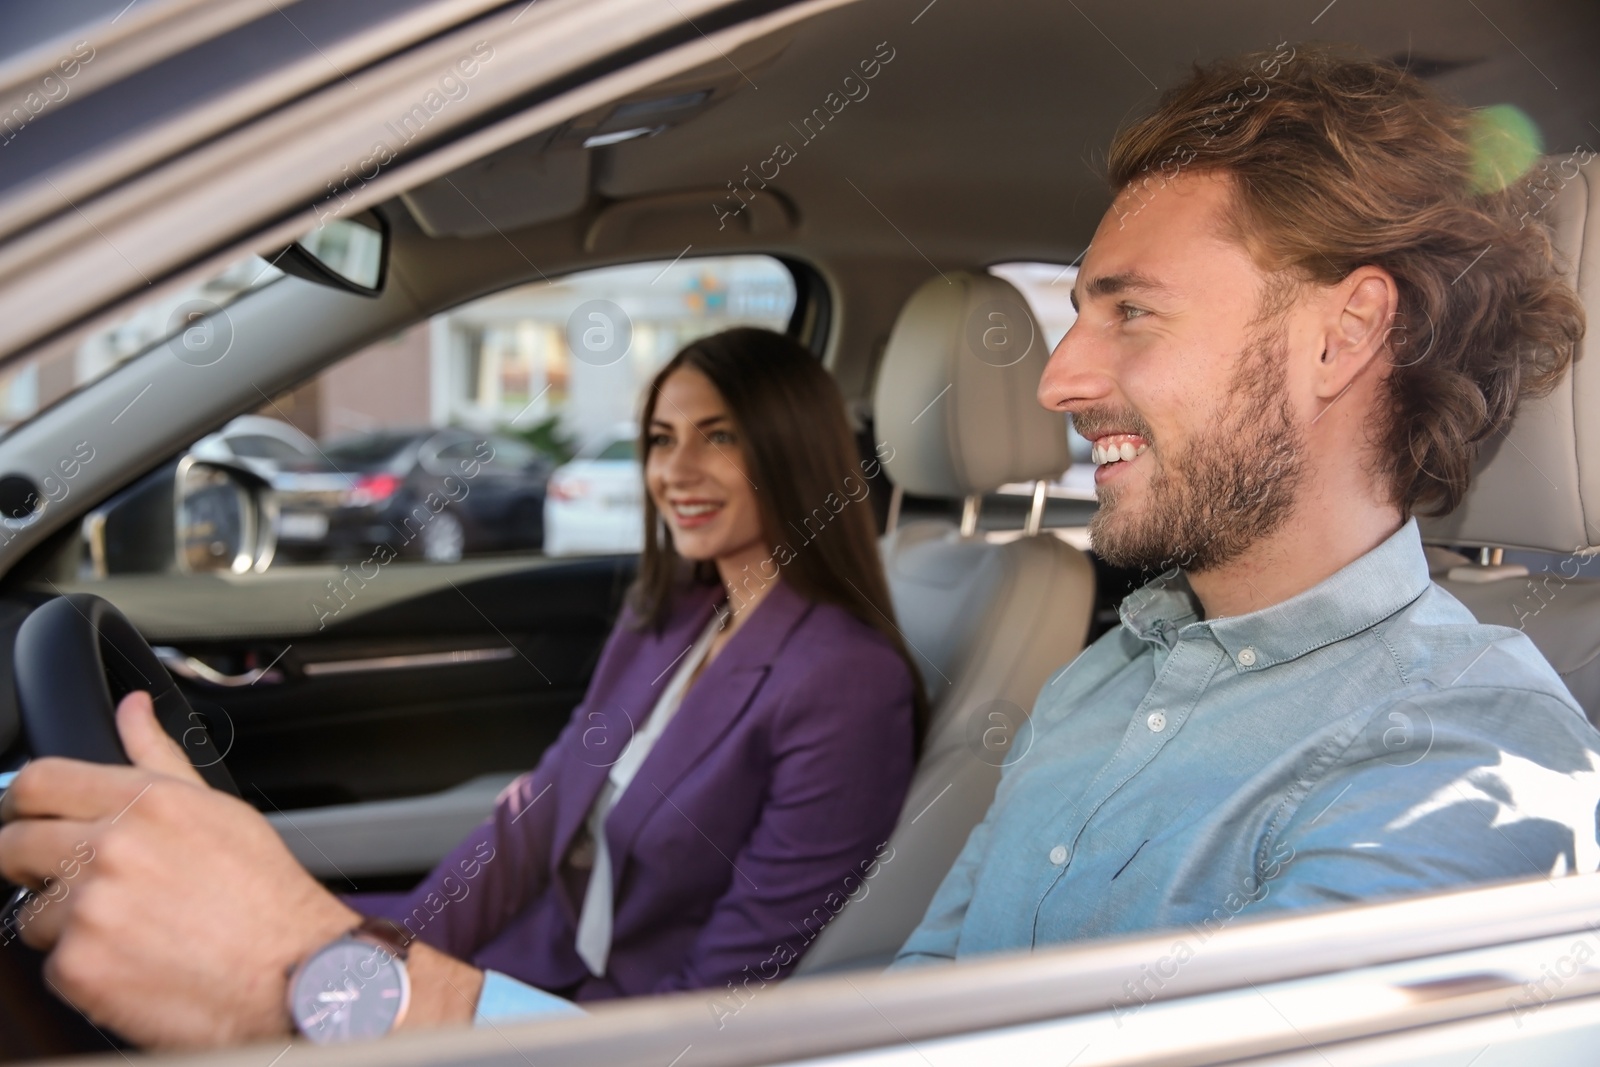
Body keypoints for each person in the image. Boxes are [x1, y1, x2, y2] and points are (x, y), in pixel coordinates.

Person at [0, 327, 922, 1047]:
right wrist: (384, 941)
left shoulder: (845, 681)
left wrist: (442, 1009)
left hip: (606, 1030)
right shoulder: (673, 616)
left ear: (791, 452)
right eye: (660, 439)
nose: (673, 472)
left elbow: (732, 994)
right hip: (512, 972)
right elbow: (534, 818)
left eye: (717, 437)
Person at [894, 45, 1600, 972]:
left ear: (1341, 338)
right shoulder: (1102, 675)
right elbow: (932, 983)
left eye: (1132, 311)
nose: (1058, 379)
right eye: (1078, 313)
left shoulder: (1467, 754)